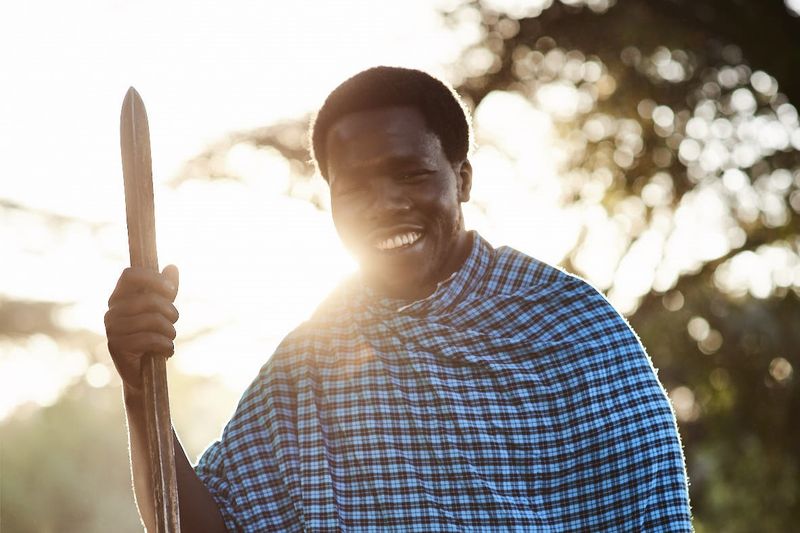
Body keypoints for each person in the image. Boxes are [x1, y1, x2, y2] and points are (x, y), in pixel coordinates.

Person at [105, 66, 693, 531]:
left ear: (461, 179)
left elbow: (652, 519)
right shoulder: (308, 364)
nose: (384, 204)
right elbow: (202, 529)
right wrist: (139, 388)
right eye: (355, 186)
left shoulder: (571, 329)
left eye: (410, 175)